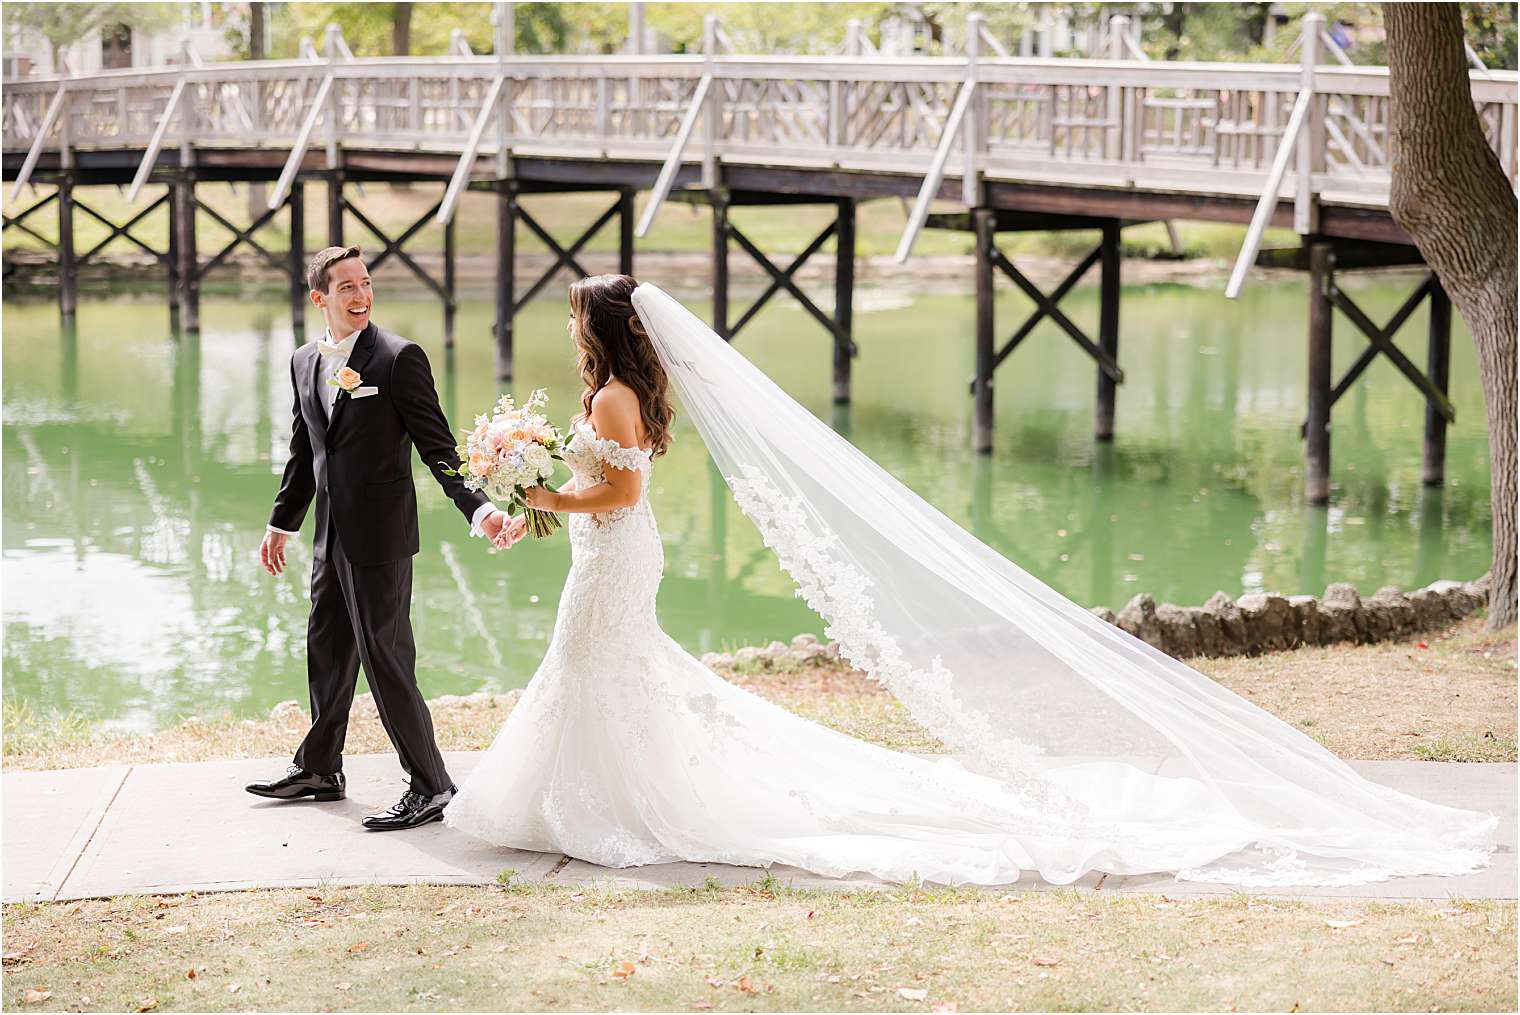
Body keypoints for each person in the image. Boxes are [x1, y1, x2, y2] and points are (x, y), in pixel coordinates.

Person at [443, 274, 1497, 887]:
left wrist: (541, 500)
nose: (571, 326)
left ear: (601, 330)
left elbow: (617, 503)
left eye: (579, 316)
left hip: (612, 554)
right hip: (605, 557)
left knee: (598, 661)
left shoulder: (620, 400)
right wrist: (538, 491)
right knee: (609, 669)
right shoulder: (612, 393)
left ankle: (610, 799)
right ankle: (580, 789)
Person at [248, 245, 514, 831]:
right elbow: (305, 451)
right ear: (320, 298)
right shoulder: (302, 361)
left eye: (366, 283)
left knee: (385, 660)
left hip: (382, 539)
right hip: (329, 537)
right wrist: (280, 523)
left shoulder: (398, 358)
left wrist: (481, 510)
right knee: (327, 649)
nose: (361, 295)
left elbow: (438, 448)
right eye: (346, 287)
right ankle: (320, 769)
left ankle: (431, 785)